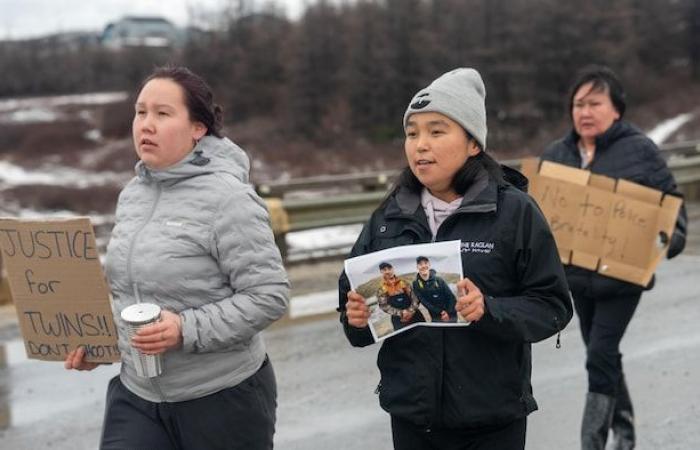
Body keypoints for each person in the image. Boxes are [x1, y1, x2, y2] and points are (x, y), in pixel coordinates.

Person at [338, 67, 572, 450]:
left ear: (473, 144)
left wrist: (488, 309)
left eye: (436, 131)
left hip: (492, 419)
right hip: (413, 418)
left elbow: (552, 306)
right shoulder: (388, 216)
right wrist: (357, 320)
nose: (420, 145)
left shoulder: (514, 212)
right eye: (412, 133)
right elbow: (354, 313)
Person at [63, 65, 289, 450]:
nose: (145, 124)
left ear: (197, 128)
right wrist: (103, 347)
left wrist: (184, 328)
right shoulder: (132, 195)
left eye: (162, 114)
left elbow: (269, 296)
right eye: (140, 112)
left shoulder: (228, 198)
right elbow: (129, 294)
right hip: (138, 396)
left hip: (222, 398)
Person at [541, 65, 687, 450]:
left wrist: (664, 239)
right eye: (578, 104)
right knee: (599, 354)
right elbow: (541, 216)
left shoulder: (640, 150)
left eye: (595, 103)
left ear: (616, 109)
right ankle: (625, 427)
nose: (584, 112)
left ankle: (594, 443)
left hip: (621, 279)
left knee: (600, 354)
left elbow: (674, 212)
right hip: (577, 278)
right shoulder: (558, 155)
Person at [376, 261, 424, 330]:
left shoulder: (404, 283)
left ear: (392, 269)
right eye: (384, 270)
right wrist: (401, 313)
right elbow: (384, 306)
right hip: (399, 320)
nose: (387, 272)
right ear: (381, 272)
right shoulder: (382, 289)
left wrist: (410, 311)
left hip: (415, 316)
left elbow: (415, 298)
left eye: (389, 269)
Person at [412, 256, 457, 322]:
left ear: (429, 265)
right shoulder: (416, 284)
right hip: (435, 315)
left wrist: (448, 313)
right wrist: (440, 312)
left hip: (450, 313)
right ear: (417, 267)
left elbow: (451, 297)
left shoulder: (439, 280)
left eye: (425, 263)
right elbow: (424, 302)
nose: (423, 266)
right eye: (420, 264)